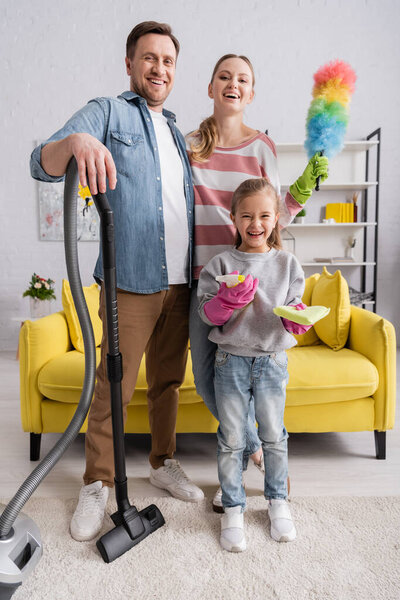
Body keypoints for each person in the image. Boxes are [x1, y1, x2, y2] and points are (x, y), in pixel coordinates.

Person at [30, 21, 204, 543]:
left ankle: (162, 462)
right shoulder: (108, 112)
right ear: (130, 64)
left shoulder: (177, 131)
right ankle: (97, 481)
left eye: (168, 60)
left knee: (168, 382)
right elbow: (41, 161)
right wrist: (78, 141)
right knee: (113, 385)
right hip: (130, 278)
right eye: (149, 58)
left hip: (182, 280)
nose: (159, 68)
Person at [187, 54, 329, 512]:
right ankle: (252, 448)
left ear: (251, 93)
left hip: (256, 277)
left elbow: (269, 214)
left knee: (246, 378)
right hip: (205, 278)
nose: (233, 83)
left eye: (242, 79)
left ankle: (258, 458)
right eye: (224, 76)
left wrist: (301, 193)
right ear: (211, 87)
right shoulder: (189, 144)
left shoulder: (263, 146)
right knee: (212, 382)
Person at [197, 177, 311, 551]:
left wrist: (297, 318)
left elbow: (295, 306)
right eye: (246, 216)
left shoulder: (287, 262)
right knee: (230, 440)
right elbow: (207, 315)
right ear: (233, 218)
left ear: (277, 218)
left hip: (272, 361)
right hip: (229, 362)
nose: (255, 223)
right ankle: (234, 508)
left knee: (274, 437)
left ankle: (277, 503)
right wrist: (225, 303)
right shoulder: (220, 263)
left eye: (264, 215)